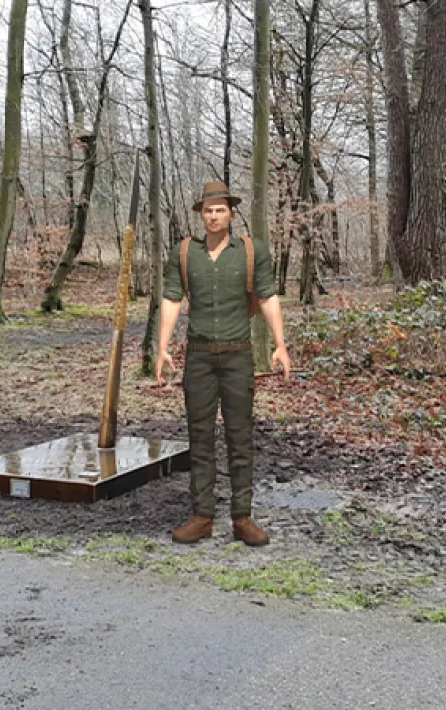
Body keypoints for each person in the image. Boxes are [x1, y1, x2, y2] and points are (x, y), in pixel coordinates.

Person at [156, 181, 291, 547]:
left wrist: (280, 345)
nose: (213, 217)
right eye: (207, 211)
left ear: (232, 214)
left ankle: (242, 517)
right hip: (198, 356)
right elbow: (171, 299)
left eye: (220, 210)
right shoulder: (185, 253)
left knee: (239, 435)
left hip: (237, 355)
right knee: (199, 436)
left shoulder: (250, 252)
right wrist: (162, 345)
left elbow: (267, 296)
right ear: (200, 214)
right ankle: (201, 516)